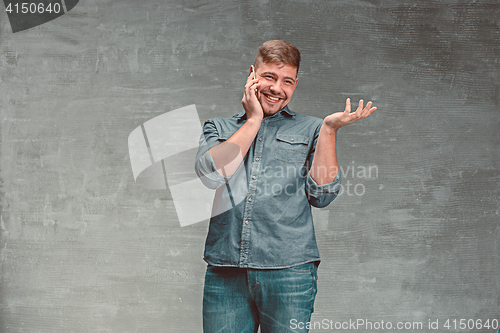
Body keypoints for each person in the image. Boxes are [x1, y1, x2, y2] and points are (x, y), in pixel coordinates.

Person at [194, 40, 376, 333]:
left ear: (295, 84)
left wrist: (329, 130)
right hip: (226, 271)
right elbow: (213, 175)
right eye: (269, 77)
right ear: (252, 74)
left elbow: (322, 195)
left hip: (290, 273)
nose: (277, 88)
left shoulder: (313, 129)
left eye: (287, 81)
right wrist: (254, 119)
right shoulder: (218, 128)